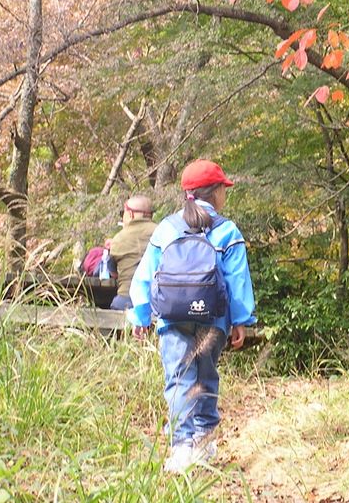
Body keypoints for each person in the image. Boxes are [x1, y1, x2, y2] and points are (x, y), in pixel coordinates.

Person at [128, 159, 256, 474]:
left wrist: (141, 316)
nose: (225, 195)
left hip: (172, 318)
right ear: (214, 193)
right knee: (206, 377)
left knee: (178, 380)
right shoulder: (227, 230)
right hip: (213, 319)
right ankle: (204, 441)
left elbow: (145, 276)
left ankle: (182, 447)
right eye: (224, 189)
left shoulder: (167, 228)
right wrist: (240, 320)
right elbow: (237, 280)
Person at [108, 195, 157, 310]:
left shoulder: (118, 238)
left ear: (130, 214)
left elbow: (113, 273)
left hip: (127, 299)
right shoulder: (162, 232)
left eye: (122, 213)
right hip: (156, 300)